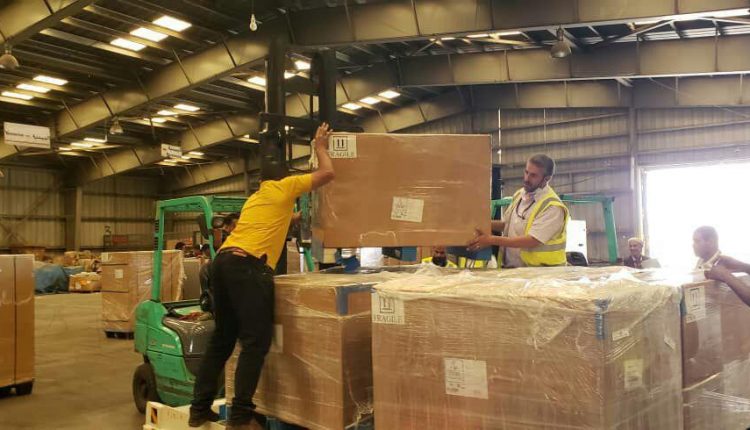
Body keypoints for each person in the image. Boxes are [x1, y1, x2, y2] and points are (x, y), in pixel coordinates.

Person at [189, 123, 336, 430]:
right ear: (284, 177)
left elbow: (283, 218)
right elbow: (327, 174)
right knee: (255, 342)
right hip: (247, 268)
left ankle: (199, 408)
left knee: (222, 340)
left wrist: (300, 218)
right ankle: (241, 417)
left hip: (222, 263)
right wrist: (320, 147)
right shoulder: (286, 187)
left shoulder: (256, 198)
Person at [468, 154, 568, 268]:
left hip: (541, 273)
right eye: (526, 172)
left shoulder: (552, 207)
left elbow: (532, 240)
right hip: (514, 270)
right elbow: (507, 224)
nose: (526, 179)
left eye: (533, 175)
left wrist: (491, 240)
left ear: (547, 179)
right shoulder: (519, 195)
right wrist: (483, 224)